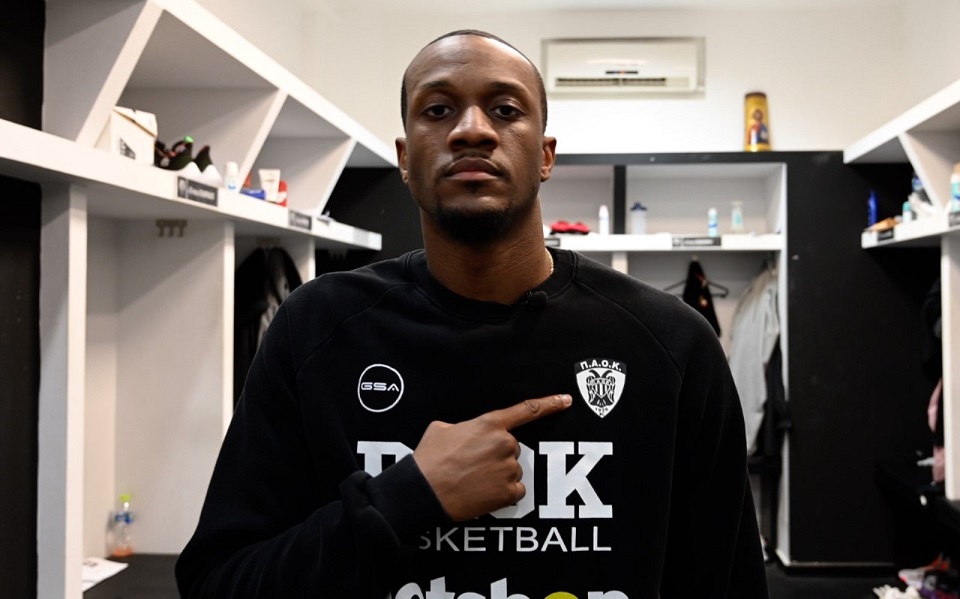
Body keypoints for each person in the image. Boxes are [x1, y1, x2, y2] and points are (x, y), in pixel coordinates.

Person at [176, 29, 769, 598]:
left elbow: (725, 583)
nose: (471, 130)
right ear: (405, 158)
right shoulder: (316, 328)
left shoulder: (671, 344)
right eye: (438, 110)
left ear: (545, 155)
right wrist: (406, 498)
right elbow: (218, 580)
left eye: (505, 110)